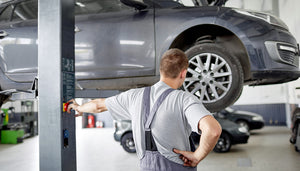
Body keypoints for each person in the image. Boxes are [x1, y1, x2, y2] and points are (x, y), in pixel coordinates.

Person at [67, 48, 222, 171]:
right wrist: (197, 156)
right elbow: (213, 130)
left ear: (161, 70)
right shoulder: (184, 99)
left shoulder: (134, 96)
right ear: (183, 73)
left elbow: (98, 105)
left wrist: (79, 108)